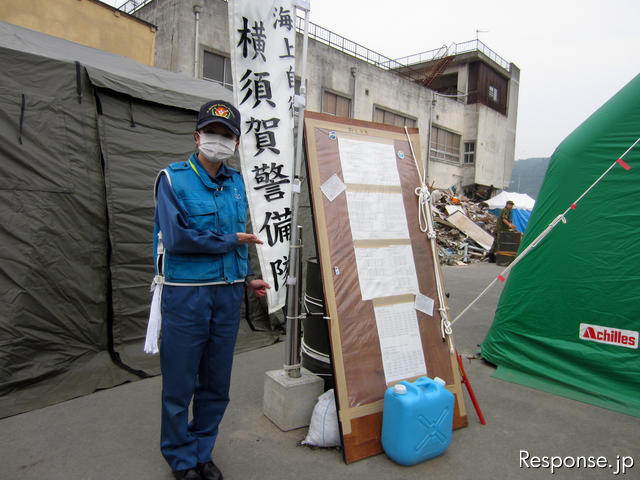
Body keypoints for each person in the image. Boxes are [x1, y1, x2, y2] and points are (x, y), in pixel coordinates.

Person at [152, 100, 270, 480]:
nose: (218, 140)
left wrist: (248, 275)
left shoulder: (237, 183)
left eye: (226, 135)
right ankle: (181, 459)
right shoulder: (172, 179)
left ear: (235, 143)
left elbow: (242, 239)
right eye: (212, 132)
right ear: (197, 135)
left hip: (227, 294)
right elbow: (176, 238)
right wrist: (228, 239)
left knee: (216, 382)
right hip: (187, 294)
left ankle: (203, 451)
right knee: (179, 384)